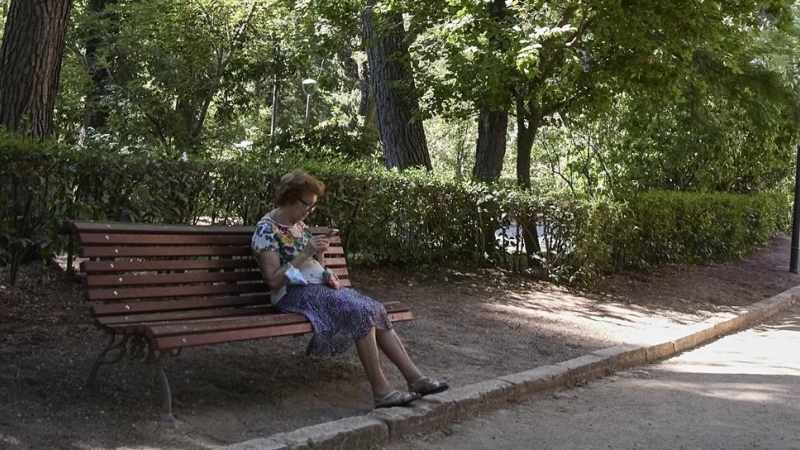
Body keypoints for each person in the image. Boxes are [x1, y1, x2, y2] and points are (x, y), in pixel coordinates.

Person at [251, 168, 448, 408]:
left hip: (318, 288)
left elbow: (315, 266)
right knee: (359, 313)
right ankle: (381, 391)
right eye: (307, 204)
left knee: (374, 308)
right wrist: (305, 252)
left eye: (313, 206)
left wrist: (320, 256)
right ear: (290, 198)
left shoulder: (299, 226)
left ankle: (415, 378)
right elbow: (273, 280)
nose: (309, 210)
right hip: (292, 294)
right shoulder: (266, 230)